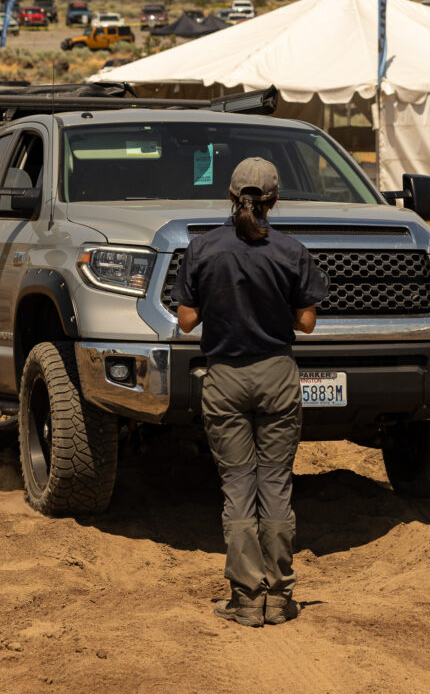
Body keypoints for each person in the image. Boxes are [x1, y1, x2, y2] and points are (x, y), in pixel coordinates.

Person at [172, 156, 329, 627]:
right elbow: (306, 323)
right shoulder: (292, 251)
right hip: (277, 374)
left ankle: (245, 599)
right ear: (275, 199)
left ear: (230, 197)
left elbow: (185, 321)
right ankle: (279, 598)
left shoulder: (202, 250)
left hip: (224, 378)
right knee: (276, 484)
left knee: (238, 487)